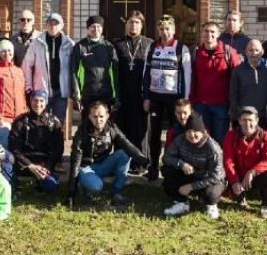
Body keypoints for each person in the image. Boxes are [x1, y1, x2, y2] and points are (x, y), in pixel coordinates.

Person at [67, 102, 149, 207]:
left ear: (107, 116)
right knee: (97, 186)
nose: (98, 120)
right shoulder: (82, 131)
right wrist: (70, 192)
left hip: (104, 164)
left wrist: (145, 162)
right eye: (95, 117)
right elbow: (75, 159)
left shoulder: (112, 128)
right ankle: (82, 186)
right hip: (86, 167)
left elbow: (128, 146)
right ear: (89, 117)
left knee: (124, 154)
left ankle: (115, 193)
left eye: (101, 116)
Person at [143, 14, 191, 181]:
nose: (165, 32)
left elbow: (187, 76)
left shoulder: (181, 48)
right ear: (158, 30)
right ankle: (153, 167)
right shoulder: (151, 47)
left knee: (175, 133)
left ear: (174, 29)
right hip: (155, 97)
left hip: (174, 99)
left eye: (168, 28)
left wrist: (185, 99)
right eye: (162, 29)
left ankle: (172, 167)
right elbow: (146, 73)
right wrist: (146, 97)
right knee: (154, 134)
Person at [161, 114, 225, 219]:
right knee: (167, 172)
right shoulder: (180, 139)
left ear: (203, 131)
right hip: (189, 175)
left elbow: (217, 175)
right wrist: (181, 164)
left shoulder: (213, 147)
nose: (192, 134)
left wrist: (191, 186)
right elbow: (166, 158)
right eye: (189, 131)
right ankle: (182, 203)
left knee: (211, 194)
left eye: (196, 131)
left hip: (208, 179)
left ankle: (211, 206)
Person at [21, 12, 74, 132]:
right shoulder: (36, 42)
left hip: (61, 92)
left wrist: (72, 89)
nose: (53, 27)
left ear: (62, 26)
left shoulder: (69, 44)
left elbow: (73, 69)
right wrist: (29, 87)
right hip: (41, 91)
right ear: (46, 25)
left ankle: (56, 149)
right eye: (50, 23)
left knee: (58, 123)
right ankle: (40, 150)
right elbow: (26, 66)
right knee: (39, 122)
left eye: (56, 24)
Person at [223, 106, 267, 219]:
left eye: (250, 120)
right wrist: (234, 181)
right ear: (239, 121)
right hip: (238, 177)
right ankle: (240, 197)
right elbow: (227, 160)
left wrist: (253, 172)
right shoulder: (231, 136)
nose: (247, 123)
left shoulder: (266, 137)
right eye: (244, 120)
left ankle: (266, 205)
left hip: (255, 176)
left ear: (257, 120)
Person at [191, 21, 241, 145]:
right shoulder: (196, 53)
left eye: (212, 31)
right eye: (206, 31)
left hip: (221, 105)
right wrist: (191, 102)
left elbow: (238, 77)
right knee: (202, 141)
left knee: (220, 140)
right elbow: (192, 79)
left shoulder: (228, 52)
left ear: (218, 33)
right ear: (201, 33)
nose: (209, 34)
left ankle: (219, 164)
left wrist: (234, 102)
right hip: (200, 104)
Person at [112, 10, 153, 156]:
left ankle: (140, 161)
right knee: (122, 128)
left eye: (137, 22)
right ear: (126, 24)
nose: (133, 26)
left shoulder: (150, 44)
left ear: (142, 25)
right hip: (123, 93)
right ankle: (121, 160)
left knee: (140, 128)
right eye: (130, 22)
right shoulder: (117, 44)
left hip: (141, 94)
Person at [8, 90, 64, 193]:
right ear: (30, 101)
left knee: (51, 186)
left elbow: (59, 148)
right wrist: (30, 165)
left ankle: (44, 181)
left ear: (46, 102)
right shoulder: (20, 121)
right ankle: (14, 186)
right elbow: (14, 147)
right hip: (24, 164)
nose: (38, 104)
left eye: (41, 101)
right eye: (35, 100)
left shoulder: (53, 121)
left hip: (44, 165)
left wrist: (47, 167)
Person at [0, 40, 27, 148]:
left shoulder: (19, 71)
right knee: (4, 149)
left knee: (19, 149)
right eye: (3, 51)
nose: (7, 53)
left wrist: (26, 113)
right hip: (2, 118)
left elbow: (22, 94)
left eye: (9, 50)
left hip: (19, 118)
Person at [70, 15, 119, 112]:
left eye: (99, 26)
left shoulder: (109, 47)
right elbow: (73, 72)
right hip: (87, 94)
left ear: (102, 29)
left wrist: (117, 96)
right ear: (88, 28)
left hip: (106, 94)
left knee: (104, 124)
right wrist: (76, 96)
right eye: (92, 26)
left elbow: (115, 73)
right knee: (87, 125)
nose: (95, 29)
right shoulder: (80, 47)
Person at [229, 38, 267, 130]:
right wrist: (237, 114)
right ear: (246, 52)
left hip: (265, 117)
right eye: (251, 50)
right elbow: (233, 93)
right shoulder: (238, 70)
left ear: (262, 52)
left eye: (257, 50)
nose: (254, 53)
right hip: (244, 118)